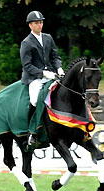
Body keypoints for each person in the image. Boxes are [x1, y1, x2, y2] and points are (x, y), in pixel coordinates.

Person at [20, 11, 65, 146]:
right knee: (35, 100)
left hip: (51, 74)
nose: (40, 25)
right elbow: (27, 65)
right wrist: (43, 73)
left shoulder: (48, 38)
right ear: (30, 25)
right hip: (34, 77)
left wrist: (59, 68)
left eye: (41, 22)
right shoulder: (26, 43)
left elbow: (55, 56)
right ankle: (31, 132)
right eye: (36, 23)